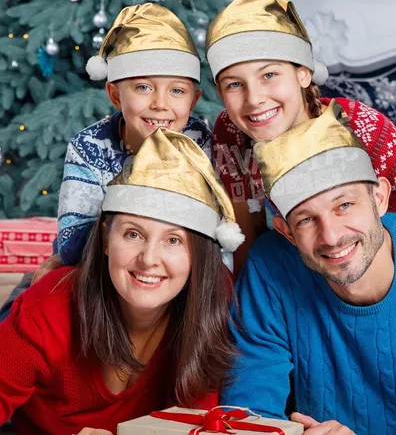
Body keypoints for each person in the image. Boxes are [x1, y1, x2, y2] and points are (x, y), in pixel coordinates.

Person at [221, 102, 396, 434]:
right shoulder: (268, 266)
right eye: (306, 219)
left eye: (345, 205)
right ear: (286, 231)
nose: (332, 236)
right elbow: (248, 412)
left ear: (380, 197)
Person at [205, 0, 396, 274]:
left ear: (303, 74)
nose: (254, 99)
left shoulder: (359, 125)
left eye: (269, 74)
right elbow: (248, 235)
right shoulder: (231, 132)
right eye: (234, 84)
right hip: (330, 259)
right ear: (219, 92)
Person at [0, 128, 245, 434]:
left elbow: (200, 421)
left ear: (199, 257)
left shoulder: (214, 298)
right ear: (105, 237)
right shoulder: (49, 307)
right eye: (133, 234)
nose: (149, 259)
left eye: (173, 240)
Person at [0, 2, 211, 320]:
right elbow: (73, 243)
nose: (160, 104)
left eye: (177, 91)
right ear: (114, 95)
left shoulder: (202, 141)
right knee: (36, 300)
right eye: (143, 87)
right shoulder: (88, 146)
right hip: (93, 267)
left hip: (169, 269)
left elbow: (210, 232)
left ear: (193, 100)